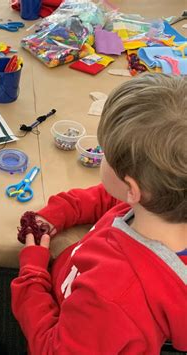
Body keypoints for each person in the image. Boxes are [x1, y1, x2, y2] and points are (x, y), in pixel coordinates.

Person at [11, 74, 186, 353]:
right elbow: (110, 198)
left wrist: (32, 275)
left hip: (64, 314)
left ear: (132, 187)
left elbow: (52, 349)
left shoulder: (112, 297)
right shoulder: (163, 203)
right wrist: (59, 212)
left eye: (105, 152)